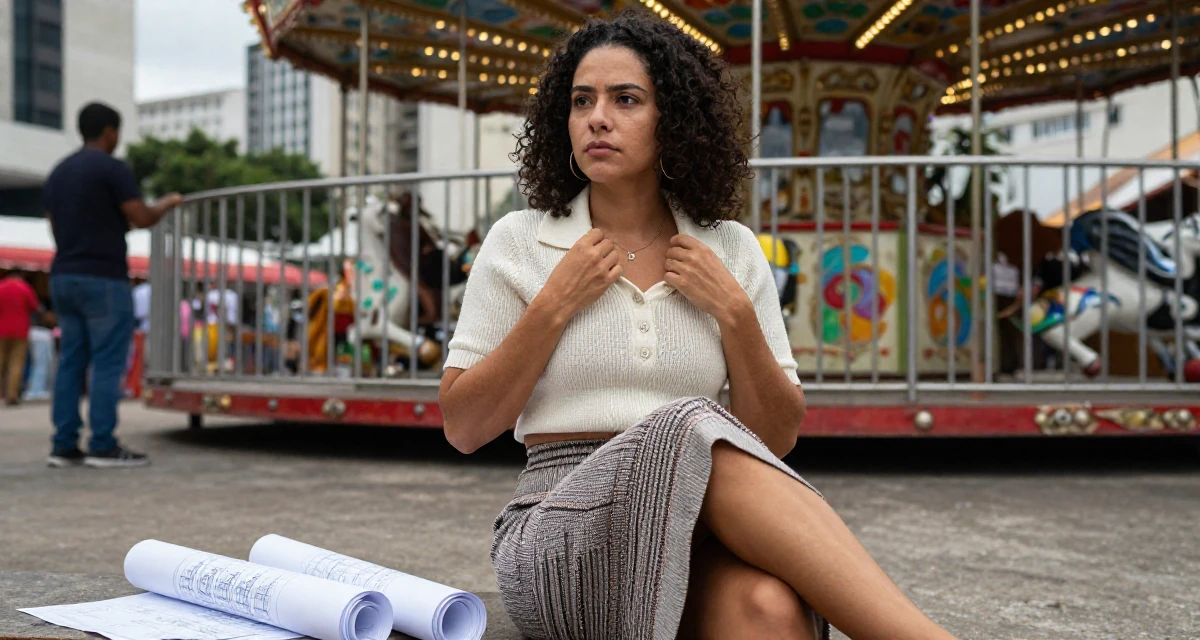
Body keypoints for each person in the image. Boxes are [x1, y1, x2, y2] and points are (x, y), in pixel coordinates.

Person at [439, 11, 957, 640]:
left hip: (695, 525)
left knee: (771, 608)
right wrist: (553, 306)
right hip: (559, 530)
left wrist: (735, 315)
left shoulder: (731, 250)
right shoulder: (520, 242)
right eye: (582, 101)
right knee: (692, 425)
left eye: (625, 99)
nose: (597, 117)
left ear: (673, 120)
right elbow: (463, 427)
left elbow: (775, 436)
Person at [43, 102, 182, 468]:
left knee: (71, 360)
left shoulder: (58, 171)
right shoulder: (112, 168)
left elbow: (54, 225)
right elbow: (141, 217)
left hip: (63, 273)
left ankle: (63, 444)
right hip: (102, 276)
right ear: (109, 132)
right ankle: (103, 443)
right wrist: (167, 203)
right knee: (107, 361)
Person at [0, 271, 41, 406]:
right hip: (20, 330)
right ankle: (12, 395)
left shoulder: (1, 286)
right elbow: (34, 306)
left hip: (1, 329)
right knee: (16, 363)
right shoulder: (24, 287)